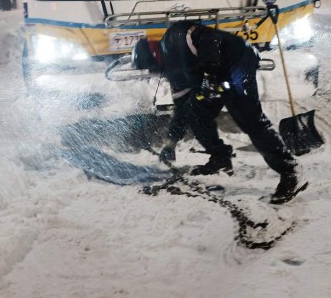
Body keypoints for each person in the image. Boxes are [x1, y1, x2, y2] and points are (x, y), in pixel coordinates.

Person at [131, 20, 308, 204]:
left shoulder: (175, 36)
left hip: (236, 63)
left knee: (250, 120)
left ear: (154, 56)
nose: (154, 71)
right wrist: (171, 142)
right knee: (195, 112)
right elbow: (182, 107)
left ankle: (291, 171)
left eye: (152, 67)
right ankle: (220, 159)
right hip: (216, 79)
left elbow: (210, 37)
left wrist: (209, 75)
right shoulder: (173, 70)